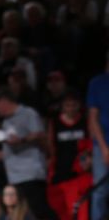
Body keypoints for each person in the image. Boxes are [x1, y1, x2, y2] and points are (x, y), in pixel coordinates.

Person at [0, 89, 57, 219]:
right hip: (15, 177)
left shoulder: (28, 114)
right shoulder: (6, 122)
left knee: (38, 210)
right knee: (25, 213)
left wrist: (21, 140)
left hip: (30, 173)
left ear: (4, 101)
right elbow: (8, 153)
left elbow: (41, 135)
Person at [47, 91, 91, 220]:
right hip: (59, 172)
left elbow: (89, 146)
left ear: (79, 105)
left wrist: (86, 160)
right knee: (60, 211)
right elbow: (50, 146)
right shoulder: (55, 123)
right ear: (62, 106)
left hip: (79, 174)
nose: (71, 108)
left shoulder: (85, 121)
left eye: (74, 105)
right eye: (67, 105)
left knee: (80, 211)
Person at [87, 71, 109, 220]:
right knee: (100, 191)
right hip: (102, 145)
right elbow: (93, 118)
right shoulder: (97, 83)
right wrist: (104, 149)